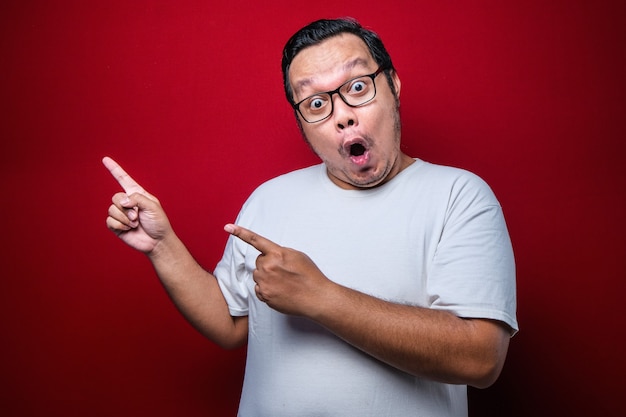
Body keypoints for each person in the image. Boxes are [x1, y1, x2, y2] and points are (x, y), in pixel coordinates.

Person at [104, 17, 518, 417]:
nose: (342, 115)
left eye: (358, 87)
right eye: (316, 103)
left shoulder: (458, 196)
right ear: (302, 122)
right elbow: (229, 324)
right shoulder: (270, 198)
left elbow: (480, 359)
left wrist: (321, 297)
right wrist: (161, 246)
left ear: (393, 85)